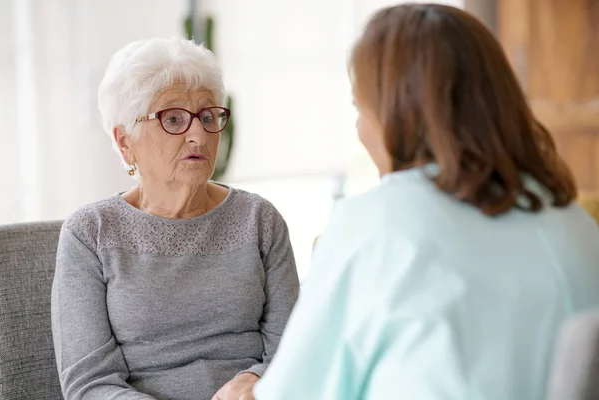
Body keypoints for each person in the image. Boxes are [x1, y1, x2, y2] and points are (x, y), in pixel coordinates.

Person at [254, 4, 599, 400]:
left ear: (396, 115)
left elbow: (295, 393)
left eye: (359, 108)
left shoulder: (376, 224)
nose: (360, 129)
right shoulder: (573, 220)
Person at [51, 37, 299, 400]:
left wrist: (257, 382)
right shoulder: (90, 233)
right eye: (173, 119)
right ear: (125, 142)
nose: (198, 135)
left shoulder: (259, 220)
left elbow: (295, 348)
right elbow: (89, 384)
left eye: (208, 116)